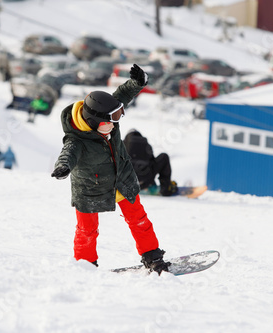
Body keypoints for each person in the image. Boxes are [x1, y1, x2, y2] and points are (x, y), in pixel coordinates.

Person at [50, 64, 170, 274]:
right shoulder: (77, 139)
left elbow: (122, 95)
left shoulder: (107, 121)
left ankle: (152, 257)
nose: (115, 124)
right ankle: (85, 266)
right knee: (87, 230)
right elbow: (68, 152)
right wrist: (63, 166)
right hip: (89, 188)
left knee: (139, 220)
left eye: (118, 117)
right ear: (94, 121)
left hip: (121, 180)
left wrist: (137, 83)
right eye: (111, 120)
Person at [123, 129, 178, 196]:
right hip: (145, 182)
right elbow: (151, 162)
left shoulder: (122, 145)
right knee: (164, 156)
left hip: (125, 184)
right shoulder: (145, 144)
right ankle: (166, 188)